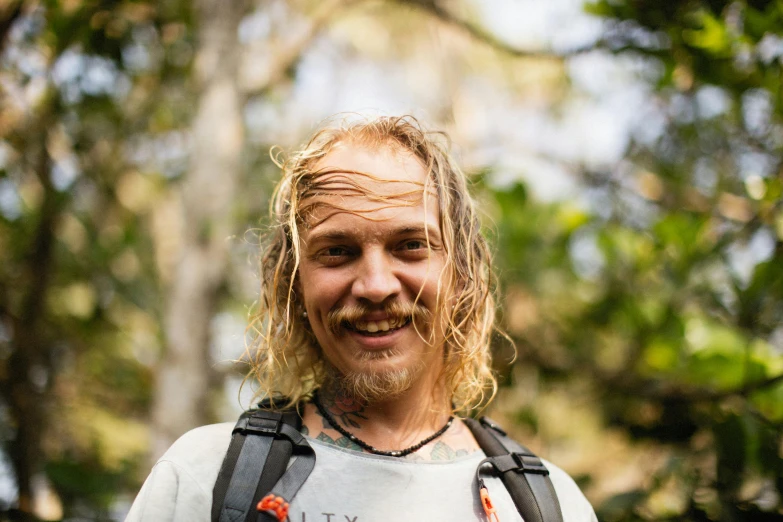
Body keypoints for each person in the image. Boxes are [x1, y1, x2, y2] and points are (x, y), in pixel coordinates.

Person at [125, 115, 597, 521]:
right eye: (337, 251)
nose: (375, 285)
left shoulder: (546, 503)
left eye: (411, 245)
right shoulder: (202, 478)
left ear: (463, 272)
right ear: (294, 284)